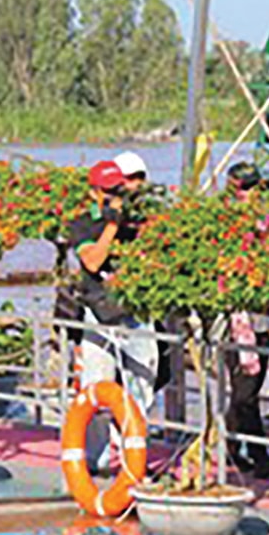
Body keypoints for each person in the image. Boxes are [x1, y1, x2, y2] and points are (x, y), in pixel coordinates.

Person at [65, 159, 160, 466]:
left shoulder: (139, 220)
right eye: (108, 191)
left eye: (118, 189)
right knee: (96, 385)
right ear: (94, 192)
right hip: (99, 312)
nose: (115, 196)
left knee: (142, 384)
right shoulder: (82, 223)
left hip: (135, 311)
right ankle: (95, 459)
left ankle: (134, 458)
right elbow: (92, 261)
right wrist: (111, 225)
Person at [222, 162, 269, 476]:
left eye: (254, 188)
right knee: (244, 390)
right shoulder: (224, 226)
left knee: (248, 389)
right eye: (245, 188)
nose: (250, 195)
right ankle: (253, 454)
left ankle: (232, 450)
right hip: (234, 319)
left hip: (262, 317)